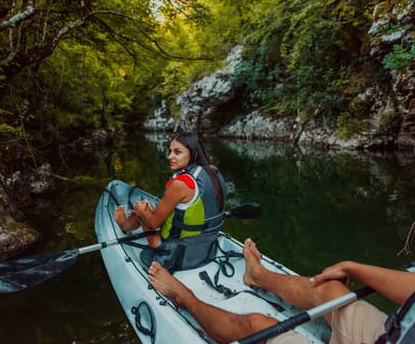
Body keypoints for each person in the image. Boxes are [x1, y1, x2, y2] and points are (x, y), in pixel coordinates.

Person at [148, 238, 415, 344]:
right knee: (327, 287)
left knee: (257, 324)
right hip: (388, 335)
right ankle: (258, 275)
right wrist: (351, 267)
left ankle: (186, 298)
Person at [114, 132, 227, 269]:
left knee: (140, 206)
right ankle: (127, 223)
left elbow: (154, 223)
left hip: (176, 251)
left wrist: (141, 210)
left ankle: (124, 225)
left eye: (177, 152)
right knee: (149, 209)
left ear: (194, 154)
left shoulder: (181, 183)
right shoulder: (213, 172)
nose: (170, 157)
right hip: (207, 249)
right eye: (170, 151)